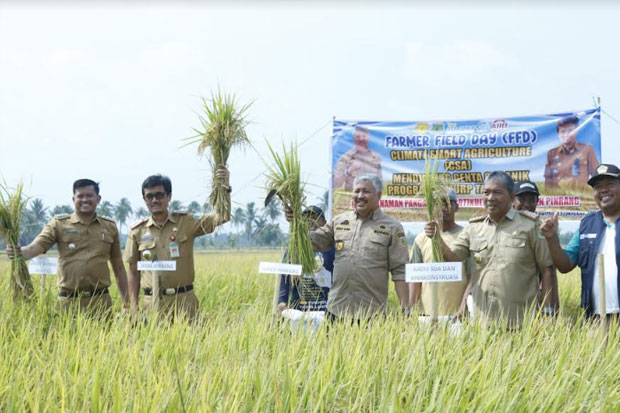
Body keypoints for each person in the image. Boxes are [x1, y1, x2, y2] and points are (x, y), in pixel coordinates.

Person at [424, 171, 555, 327]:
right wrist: (436, 238)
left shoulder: (531, 226)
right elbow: (453, 257)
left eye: (497, 193)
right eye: (486, 193)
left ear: (512, 197)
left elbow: (547, 270)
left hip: (521, 322)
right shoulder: (474, 228)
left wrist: (546, 312)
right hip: (482, 322)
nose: (490, 198)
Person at [286, 173, 410, 322]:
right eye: (356, 191)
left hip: (372, 313)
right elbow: (313, 242)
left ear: (378, 195)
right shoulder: (339, 221)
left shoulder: (393, 227)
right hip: (336, 310)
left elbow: (400, 270)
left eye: (366, 191)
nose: (360, 195)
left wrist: (405, 308)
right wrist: (295, 223)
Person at [6, 179, 129, 313]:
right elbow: (34, 248)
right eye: (80, 196)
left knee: (104, 334)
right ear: (73, 199)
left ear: (98, 199)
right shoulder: (59, 224)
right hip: (68, 302)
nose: (85, 200)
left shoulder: (109, 226)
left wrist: (127, 304)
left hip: (101, 301)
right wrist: (18, 252)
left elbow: (119, 267)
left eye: (89, 195)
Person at [124, 167, 230, 321]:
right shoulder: (137, 231)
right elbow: (133, 272)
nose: (154, 200)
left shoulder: (187, 222)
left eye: (159, 195)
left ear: (169, 196)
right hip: (152, 304)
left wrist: (224, 187)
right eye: (149, 196)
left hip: (185, 302)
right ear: (144, 199)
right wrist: (132, 307)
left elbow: (223, 217)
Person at [540, 164, 620, 318]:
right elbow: (565, 265)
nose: (603, 190)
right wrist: (551, 238)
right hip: (595, 318)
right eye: (598, 187)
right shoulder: (586, 225)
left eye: (610, 184)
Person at [410, 188, 470, 318]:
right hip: (427, 316)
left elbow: (473, 277)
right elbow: (415, 279)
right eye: (438, 203)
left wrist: (463, 307)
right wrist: (411, 312)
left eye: (448, 202)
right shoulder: (421, 239)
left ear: (457, 207)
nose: (443, 207)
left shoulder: (466, 237)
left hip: (458, 316)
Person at [513, 180, 560, 312]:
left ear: (537, 202)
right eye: (522, 199)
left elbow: (549, 271)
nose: (527, 204)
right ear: (512, 200)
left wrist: (549, 308)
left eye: (531, 200)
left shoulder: (543, 228)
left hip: (534, 299)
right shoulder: (504, 227)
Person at [278, 206, 335, 312]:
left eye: (315, 218)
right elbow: (285, 276)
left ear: (325, 223)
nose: (311, 222)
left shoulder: (332, 247)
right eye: (306, 219)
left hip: (326, 307)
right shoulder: (294, 248)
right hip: (299, 307)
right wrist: (282, 300)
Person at [544, 116, 599, 189]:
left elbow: (596, 175)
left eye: (570, 131)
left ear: (576, 132)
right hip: (559, 198)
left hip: (582, 198)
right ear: (558, 134)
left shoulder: (587, 149)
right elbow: (548, 181)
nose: (566, 134)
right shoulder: (552, 153)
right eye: (562, 132)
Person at [333, 126, 382, 191]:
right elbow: (336, 184)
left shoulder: (375, 157)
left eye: (364, 136)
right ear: (354, 139)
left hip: (372, 198)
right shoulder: (345, 158)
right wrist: (349, 171)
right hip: (352, 198)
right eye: (358, 137)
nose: (361, 139)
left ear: (368, 138)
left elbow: (380, 183)